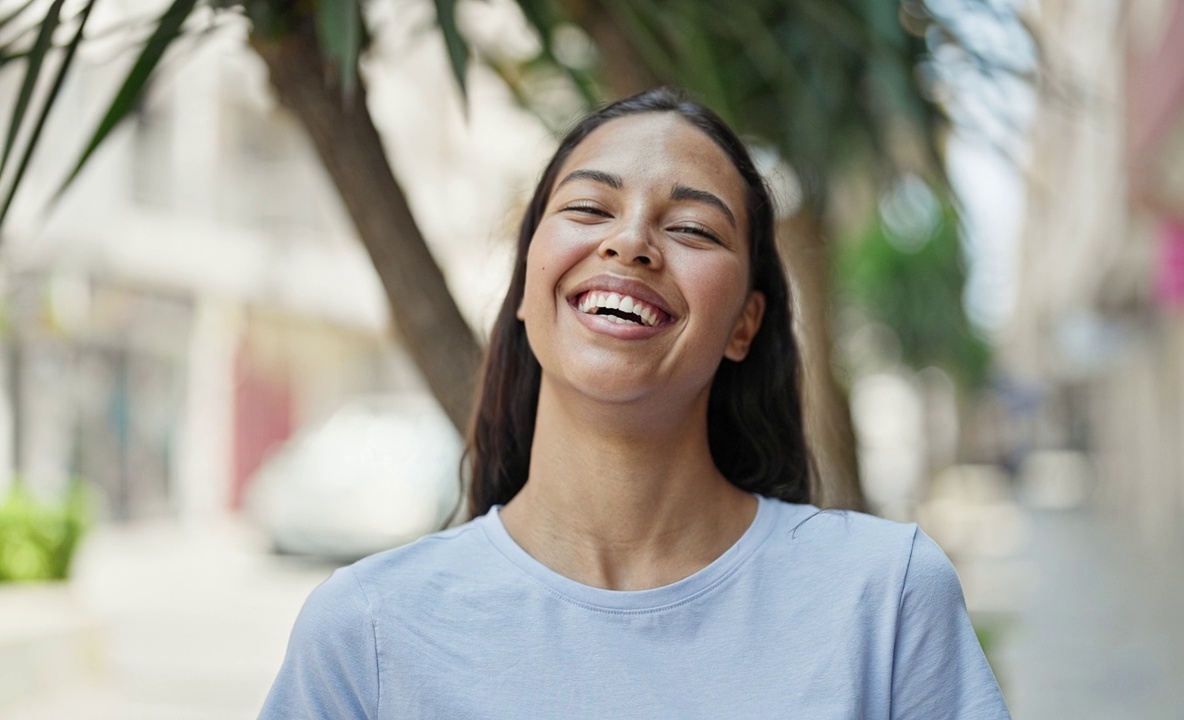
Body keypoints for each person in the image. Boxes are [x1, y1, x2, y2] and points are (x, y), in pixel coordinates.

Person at [259, 87, 1010, 719]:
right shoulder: (367, 632)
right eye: (589, 210)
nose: (632, 241)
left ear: (744, 324)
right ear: (526, 282)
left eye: (690, 228)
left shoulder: (885, 597)